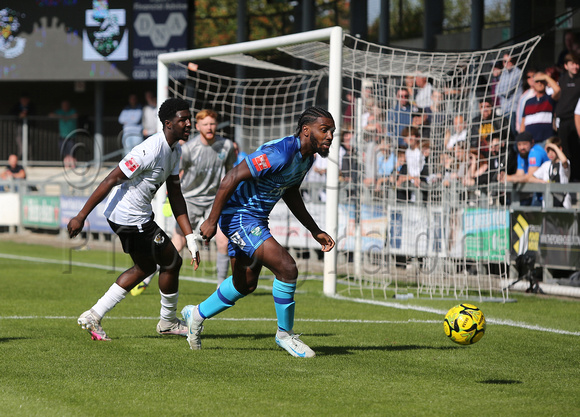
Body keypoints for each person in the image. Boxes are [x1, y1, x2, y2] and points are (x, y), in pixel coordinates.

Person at [181, 107, 336, 358]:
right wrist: (211, 220)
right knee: (287, 267)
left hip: (255, 219)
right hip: (238, 217)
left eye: (332, 131)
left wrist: (314, 230)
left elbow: (290, 191)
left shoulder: (307, 158)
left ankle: (195, 314)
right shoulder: (279, 153)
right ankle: (285, 335)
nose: (330, 136)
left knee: (245, 284)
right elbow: (231, 177)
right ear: (307, 131)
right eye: (325, 130)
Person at [67, 97, 201, 341]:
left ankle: (94, 315)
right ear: (169, 123)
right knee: (171, 261)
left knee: (147, 267)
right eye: (184, 120)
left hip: (136, 216)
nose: (190, 124)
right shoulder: (149, 150)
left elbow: (175, 194)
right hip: (130, 218)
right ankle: (168, 322)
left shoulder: (175, 150)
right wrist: (81, 215)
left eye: (190, 119)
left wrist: (190, 237)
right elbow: (111, 179)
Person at [132, 109, 236, 296]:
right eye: (205, 124)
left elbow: (230, 173)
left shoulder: (226, 146)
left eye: (212, 123)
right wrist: (166, 199)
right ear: (198, 126)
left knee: (223, 241)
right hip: (190, 200)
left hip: (214, 201)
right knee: (177, 244)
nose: (209, 127)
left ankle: (221, 287)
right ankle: (146, 278)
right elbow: (176, 175)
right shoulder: (188, 148)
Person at [503, 131, 550, 206]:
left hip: (549, 190)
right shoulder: (522, 154)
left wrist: (509, 178)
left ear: (532, 143)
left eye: (525, 144)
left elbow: (530, 177)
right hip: (537, 192)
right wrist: (505, 177)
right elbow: (519, 175)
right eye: (519, 144)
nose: (522, 147)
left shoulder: (535, 152)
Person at [530, 137, 571, 208]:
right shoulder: (546, 165)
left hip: (563, 204)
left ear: (559, 149)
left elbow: (564, 161)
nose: (550, 154)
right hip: (548, 204)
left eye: (553, 150)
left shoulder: (564, 163)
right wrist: (542, 181)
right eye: (548, 151)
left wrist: (554, 146)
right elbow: (531, 178)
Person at [520, 71, 561, 144]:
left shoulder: (549, 99)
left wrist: (545, 77)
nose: (539, 83)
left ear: (545, 82)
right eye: (537, 81)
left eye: (542, 81)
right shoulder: (528, 101)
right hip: (530, 142)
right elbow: (523, 123)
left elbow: (557, 90)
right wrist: (522, 140)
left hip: (546, 140)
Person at [559, 53, 580, 182]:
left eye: (577, 64)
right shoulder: (561, 81)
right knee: (565, 151)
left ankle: (576, 178)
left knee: (576, 150)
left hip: (576, 120)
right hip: (562, 121)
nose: (576, 66)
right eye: (572, 64)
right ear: (566, 66)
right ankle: (566, 178)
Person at [49, 99, 78, 168]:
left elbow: (76, 115)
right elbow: (50, 115)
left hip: (71, 136)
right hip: (62, 136)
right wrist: (62, 117)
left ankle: (73, 166)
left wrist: (67, 117)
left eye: (66, 105)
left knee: (71, 153)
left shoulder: (72, 111)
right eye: (63, 105)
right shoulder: (60, 112)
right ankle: (67, 166)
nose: (65, 107)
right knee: (65, 153)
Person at [11, 93, 36, 159]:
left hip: (30, 127)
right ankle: (20, 158)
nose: (24, 101)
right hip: (19, 126)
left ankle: (30, 159)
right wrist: (19, 115)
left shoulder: (31, 106)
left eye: (25, 100)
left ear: (28, 100)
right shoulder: (17, 106)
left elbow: (34, 114)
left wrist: (27, 115)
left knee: (29, 144)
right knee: (19, 142)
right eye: (22, 100)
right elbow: (11, 113)